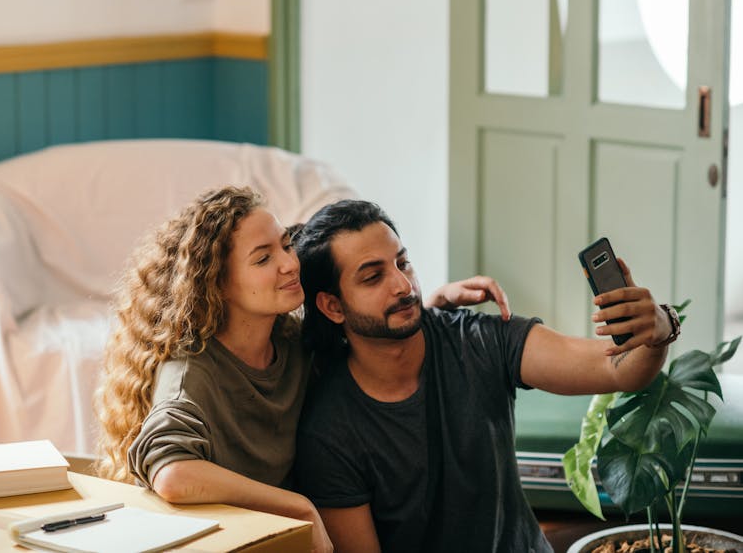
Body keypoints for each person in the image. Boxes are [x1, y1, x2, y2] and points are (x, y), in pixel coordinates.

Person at [94, 186, 513, 553]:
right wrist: (297, 505)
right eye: (263, 258)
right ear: (216, 284)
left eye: (285, 245)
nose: (290, 264)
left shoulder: (291, 341)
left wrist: (427, 306)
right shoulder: (191, 372)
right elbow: (172, 474)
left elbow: (362, 328)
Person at [291, 199, 680, 553]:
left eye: (402, 262)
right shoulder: (329, 431)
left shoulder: (475, 339)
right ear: (332, 306)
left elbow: (617, 370)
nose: (403, 285)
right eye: (373, 277)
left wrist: (659, 328)